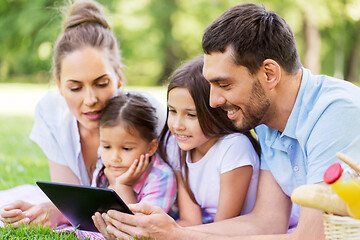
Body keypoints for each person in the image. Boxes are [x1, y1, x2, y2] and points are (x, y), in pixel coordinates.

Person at [90, 3, 360, 240]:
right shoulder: (268, 124)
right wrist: (168, 231)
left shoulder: (337, 113)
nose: (213, 101)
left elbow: (312, 237)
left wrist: (178, 238)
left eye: (224, 84)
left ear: (269, 74)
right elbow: (267, 221)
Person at [0, 0, 165, 229]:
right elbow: (71, 203)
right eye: (75, 87)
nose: (90, 100)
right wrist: (54, 210)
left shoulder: (149, 113)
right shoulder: (52, 114)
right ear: (58, 85)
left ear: (119, 76)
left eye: (101, 83)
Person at [93, 55, 260, 233]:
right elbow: (190, 218)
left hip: (230, 229)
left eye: (191, 115)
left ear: (215, 111)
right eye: (172, 111)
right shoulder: (176, 146)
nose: (178, 125)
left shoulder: (233, 148)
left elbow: (224, 225)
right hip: (201, 227)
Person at [91, 93, 177, 214]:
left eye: (126, 148)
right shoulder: (103, 166)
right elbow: (92, 212)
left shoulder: (161, 176)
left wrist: (122, 186)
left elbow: (140, 226)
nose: (114, 158)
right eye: (107, 146)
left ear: (151, 147)